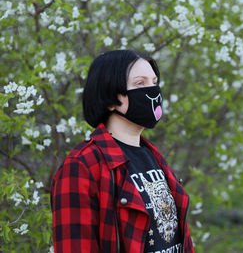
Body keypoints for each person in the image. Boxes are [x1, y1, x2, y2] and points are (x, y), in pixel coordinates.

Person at [51, 50, 194, 253]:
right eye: (140, 83)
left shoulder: (153, 156)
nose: (153, 91)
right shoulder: (82, 166)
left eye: (154, 82)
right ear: (109, 98)